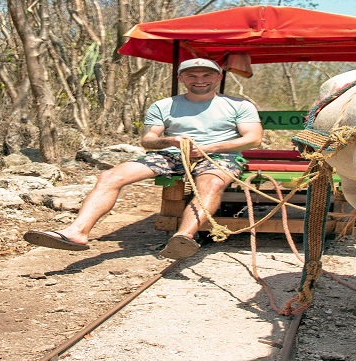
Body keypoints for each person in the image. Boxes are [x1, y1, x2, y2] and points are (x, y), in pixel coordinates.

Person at [23, 58, 263, 260]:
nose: (199, 80)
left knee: (211, 183)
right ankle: (76, 232)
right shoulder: (164, 105)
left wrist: (209, 147)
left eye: (206, 75)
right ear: (182, 79)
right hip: (171, 155)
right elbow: (148, 140)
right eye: (192, 75)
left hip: (219, 155)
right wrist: (170, 141)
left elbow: (252, 139)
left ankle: (183, 238)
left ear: (218, 77)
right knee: (111, 176)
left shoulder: (238, 105)